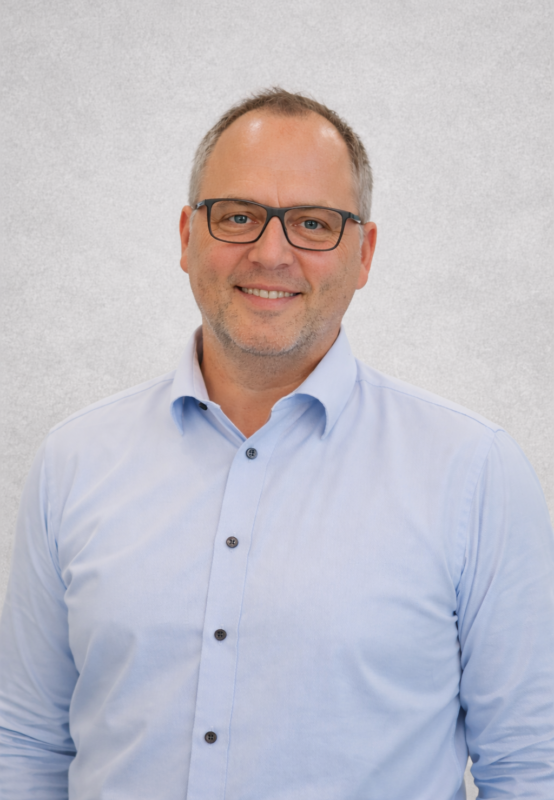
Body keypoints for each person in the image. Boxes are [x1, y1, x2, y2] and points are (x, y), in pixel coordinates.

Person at [0, 88, 552, 800]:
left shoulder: (474, 472)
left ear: (364, 254)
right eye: (238, 216)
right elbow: (26, 745)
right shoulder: (73, 462)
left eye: (313, 224)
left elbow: (531, 766)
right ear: (187, 236)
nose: (270, 253)